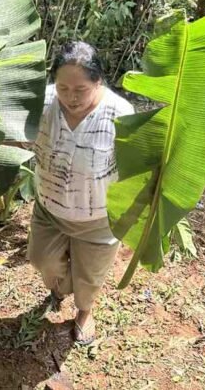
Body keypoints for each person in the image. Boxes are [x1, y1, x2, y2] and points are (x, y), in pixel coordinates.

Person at [28, 41, 133, 346]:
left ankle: (85, 312)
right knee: (41, 259)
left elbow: (134, 169)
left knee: (89, 278)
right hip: (49, 206)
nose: (70, 98)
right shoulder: (41, 102)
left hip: (97, 217)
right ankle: (60, 288)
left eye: (81, 90)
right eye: (63, 88)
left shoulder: (120, 114)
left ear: (98, 82)